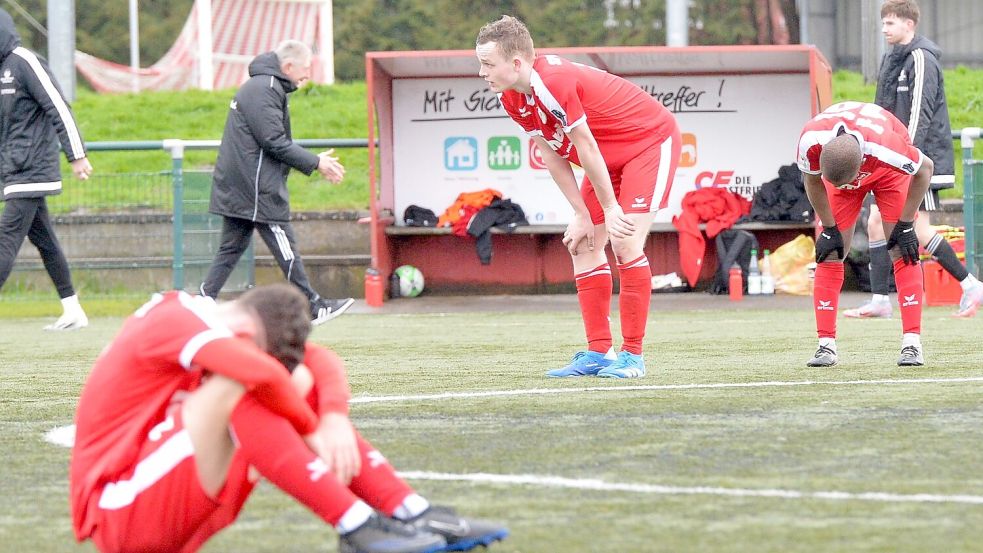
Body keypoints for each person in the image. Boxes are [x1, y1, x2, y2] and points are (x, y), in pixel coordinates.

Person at [70, 283, 509, 553]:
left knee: (285, 381)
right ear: (243, 332)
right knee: (247, 388)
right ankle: (356, 525)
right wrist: (309, 427)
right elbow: (261, 372)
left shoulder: (211, 326)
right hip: (118, 509)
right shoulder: (174, 318)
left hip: (167, 499)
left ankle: (411, 511)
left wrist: (332, 418)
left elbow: (322, 360)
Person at [476, 16, 681, 379]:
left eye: (488, 64)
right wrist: (582, 212)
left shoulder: (552, 81)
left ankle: (633, 357)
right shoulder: (511, 97)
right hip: (607, 160)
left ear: (517, 63)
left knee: (625, 241)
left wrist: (609, 209)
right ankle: (599, 351)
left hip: (649, 143)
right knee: (583, 242)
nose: (482, 72)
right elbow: (553, 156)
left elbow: (584, 145)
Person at [844, 0, 983, 319]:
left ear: (909, 24)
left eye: (890, 23)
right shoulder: (891, 58)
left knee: (916, 227)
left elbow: (921, 112)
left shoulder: (921, 58)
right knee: (877, 221)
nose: (884, 29)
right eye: (882, 23)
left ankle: (969, 283)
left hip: (918, 161)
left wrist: (905, 159)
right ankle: (880, 299)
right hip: (894, 158)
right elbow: (882, 111)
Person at [201, 39, 353, 326]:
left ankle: (200, 302)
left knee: (231, 248)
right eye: (305, 69)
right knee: (283, 242)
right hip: (255, 186)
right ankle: (314, 305)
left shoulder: (263, 86)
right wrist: (316, 162)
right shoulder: (265, 88)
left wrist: (311, 159)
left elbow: (271, 141)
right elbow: (274, 142)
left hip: (242, 184)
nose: (308, 75)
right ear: (289, 66)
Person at [797, 101, 934, 368]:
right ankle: (825, 346)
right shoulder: (811, 140)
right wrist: (829, 227)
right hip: (842, 167)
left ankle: (912, 344)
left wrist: (906, 224)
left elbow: (925, 170)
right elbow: (812, 180)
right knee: (830, 251)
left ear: (861, 163)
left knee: (902, 249)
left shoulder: (888, 148)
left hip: (887, 174)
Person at [0, 8, 92, 330]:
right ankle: (73, 310)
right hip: (14, 172)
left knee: (5, 238)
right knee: (45, 240)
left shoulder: (26, 61)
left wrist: (76, 155)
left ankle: (72, 310)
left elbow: (59, 108)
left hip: (32, 170)